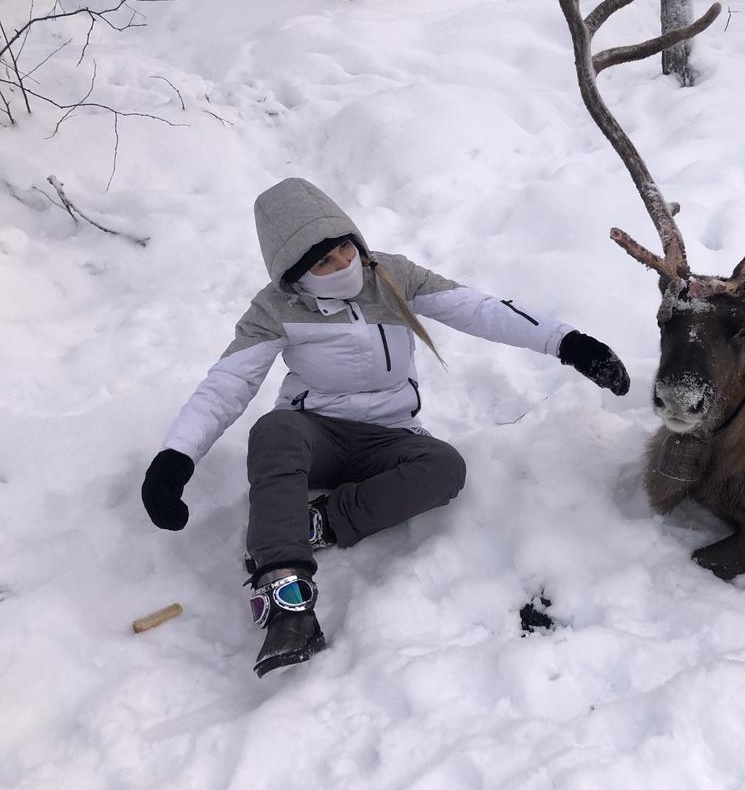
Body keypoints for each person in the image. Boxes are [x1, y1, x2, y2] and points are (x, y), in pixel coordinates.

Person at [140, 177, 629, 677]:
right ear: (294, 273)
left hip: (392, 437)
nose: (342, 267)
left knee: (444, 468)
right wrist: (175, 458)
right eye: (323, 263)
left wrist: (568, 343)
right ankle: (286, 597)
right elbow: (228, 383)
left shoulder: (393, 276)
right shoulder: (274, 310)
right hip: (317, 434)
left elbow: (478, 309)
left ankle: (318, 523)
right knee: (274, 430)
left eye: (345, 251)